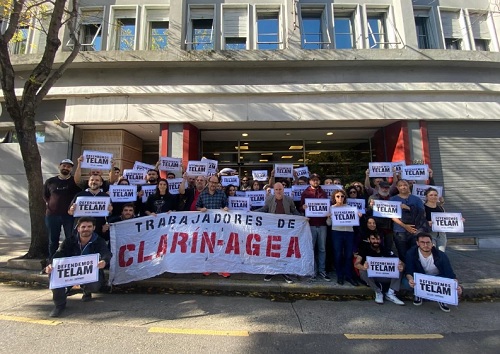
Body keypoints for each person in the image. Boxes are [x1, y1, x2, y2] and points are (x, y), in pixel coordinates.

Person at [44, 217, 112, 317]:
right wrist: (50, 265)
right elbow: (58, 254)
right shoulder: (69, 241)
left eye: (89, 226)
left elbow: (106, 253)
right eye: (83, 227)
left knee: (94, 285)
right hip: (70, 272)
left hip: (89, 273)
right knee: (53, 275)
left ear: (94, 228)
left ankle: (86, 290)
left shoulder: (99, 241)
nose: (86, 229)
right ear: (78, 228)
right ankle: (59, 305)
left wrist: (104, 261)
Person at [254, 182, 301, 284]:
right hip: (273, 230)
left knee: (284, 250)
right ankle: (271, 271)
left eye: (280, 189)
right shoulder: (270, 199)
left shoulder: (288, 200)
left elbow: (294, 211)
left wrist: (302, 218)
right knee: (272, 250)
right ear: (273, 190)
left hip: (286, 230)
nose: (278, 191)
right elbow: (265, 209)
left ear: (283, 189)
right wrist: (253, 213)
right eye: (276, 190)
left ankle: (284, 272)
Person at [405, 233, 463, 312]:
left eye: (428, 242)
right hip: (420, 277)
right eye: (422, 242)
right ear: (417, 243)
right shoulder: (411, 253)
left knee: (451, 285)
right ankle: (418, 294)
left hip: (437, 277)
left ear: (432, 243)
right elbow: (409, 270)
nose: (426, 245)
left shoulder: (441, 255)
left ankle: (441, 299)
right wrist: (410, 279)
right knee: (406, 282)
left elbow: (449, 273)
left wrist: (456, 286)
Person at [43, 159, 82, 262]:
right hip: (52, 215)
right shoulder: (50, 181)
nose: (66, 168)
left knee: (71, 238)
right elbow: (45, 196)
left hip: (69, 216)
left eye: (68, 166)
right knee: (53, 240)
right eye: (64, 165)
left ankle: (69, 261)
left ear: (71, 169)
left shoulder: (74, 182)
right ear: (59, 166)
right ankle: (52, 261)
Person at [355, 234, 405, 305]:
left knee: (399, 268)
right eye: (373, 239)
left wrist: (401, 266)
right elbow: (356, 264)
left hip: (385, 276)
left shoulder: (385, 249)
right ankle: (378, 292)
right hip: (372, 277)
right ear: (369, 240)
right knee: (362, 271)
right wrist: (363, 267)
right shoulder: (364, 249)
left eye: (378, 239)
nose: (376, 241)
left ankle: (390, 293)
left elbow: (401, 262)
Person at [197, 175, 230, 278]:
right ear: (208, 182)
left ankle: (221, 269)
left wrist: (225, 208)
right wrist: (200, 209)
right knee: (208, 247)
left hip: (219, 225)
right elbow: (197, 206)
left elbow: (226, 205)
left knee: (220, 246)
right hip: (206, 226)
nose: (213, 185)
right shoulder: (202, 194)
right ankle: (208, 268)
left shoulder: (221, 194)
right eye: (212, 182)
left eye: (215, 183)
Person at [300, 173, 330, 282]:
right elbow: (301, 207)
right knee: (311, 249)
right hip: (311, 225)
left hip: (322, 224)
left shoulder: (323, 193)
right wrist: (303, 207)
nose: (315, 181)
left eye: (317, 180)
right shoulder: (305, 193)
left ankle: (322, 270)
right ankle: (312, 270)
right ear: (310, 181)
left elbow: (327, 206)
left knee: (322, 249)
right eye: (313, 180)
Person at [327, 189, 359, 286]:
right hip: (337, 232)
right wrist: (328, 218)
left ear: (345, 197)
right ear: (334, 198)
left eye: (342, 196)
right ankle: (340, 275)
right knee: (338, 254)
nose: (340, 198)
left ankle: (348, 276)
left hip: (349, 232)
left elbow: (355, 222)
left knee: (349, 255)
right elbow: (329, 224)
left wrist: (358, 216)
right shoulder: (331, 208)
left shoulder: (350, 208)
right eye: (338, 196)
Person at [390, 179, 427, 262]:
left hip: (415, 230)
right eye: (400, 185)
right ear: (397, 187)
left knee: (415, 254)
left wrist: (409, 208)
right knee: (402, 254)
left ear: (408, 186)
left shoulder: (416, 199)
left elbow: (422, 213)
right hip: (399, 231)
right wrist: (405, 226)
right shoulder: (392, 199)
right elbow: (392, 216)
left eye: (405, 185)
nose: (403, 187)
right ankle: (405, 273)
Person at [68, 175, 113, 241]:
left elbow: (109, 214)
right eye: (92, 180)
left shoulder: (105, 196)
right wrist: (72, 210)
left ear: (101, 183)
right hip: (82, 229)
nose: (94, 182)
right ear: (88, 182)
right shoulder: (80, 195)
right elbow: (70, 212)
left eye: (97, 180)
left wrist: (110, 211)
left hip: (99, 228)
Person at [366, 180, 395, 253]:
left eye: (387, 188)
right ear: (379, 188)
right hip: (377, 227)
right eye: (383, 188)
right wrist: (370, 206)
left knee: (388, 248)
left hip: (389, 227)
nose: (385, 189)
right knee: (377, 247)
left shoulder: (393, 199)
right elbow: (369, 212)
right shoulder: (373, 197)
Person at [424, 187, 448, 252]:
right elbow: (420, 221)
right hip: (429, 234)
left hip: (441, 234)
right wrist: (427, 222)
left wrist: (459, 221)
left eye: (435, 195)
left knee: (441, 253)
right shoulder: (423, 208)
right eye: (431, 195)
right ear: (426, 197)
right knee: (432, 253)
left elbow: (446, 219)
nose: (433, 197)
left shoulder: (441, 208)